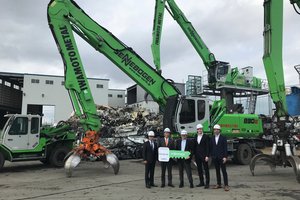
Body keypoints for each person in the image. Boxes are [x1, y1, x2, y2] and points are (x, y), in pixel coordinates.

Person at [210, 124, 229, 191]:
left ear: (219, 130)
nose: (216, 131)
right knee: (217, 171)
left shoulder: (223, 138)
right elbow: (211, 148)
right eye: (215, 129)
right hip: (215, 157)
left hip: (222, 157)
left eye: (217, 129)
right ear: (214, 130)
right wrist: (212, 156)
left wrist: (225, 157)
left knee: (224, 171)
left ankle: (226, 185)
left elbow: (225, 148)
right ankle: (219, 184)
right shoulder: (212, 138)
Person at [193, 124, 210, 189]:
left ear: (202, 129)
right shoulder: (195, 136)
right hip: (197, 156)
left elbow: (207, 147)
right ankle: (201, 182)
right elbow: (195, 146)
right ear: (197, 130)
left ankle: (207, 183)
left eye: (201, 129)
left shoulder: (206, 136)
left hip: (204, 156)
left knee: (206, 169)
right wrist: (194, 154)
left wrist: (207, 155)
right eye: (199, 129)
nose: (200, 130)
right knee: (199, 169)